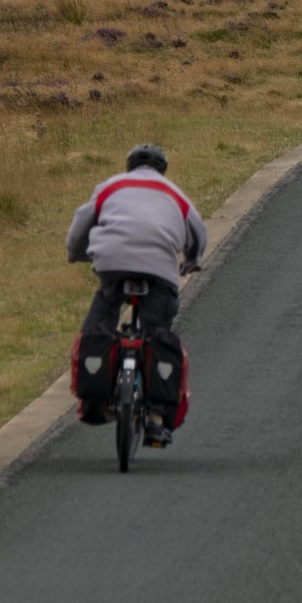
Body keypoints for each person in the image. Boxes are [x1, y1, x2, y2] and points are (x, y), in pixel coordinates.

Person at [65, 142, 205, 445]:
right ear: (162, 169)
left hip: (112, 265)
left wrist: (76, 254)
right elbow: (198, 233)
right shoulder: (175, 194)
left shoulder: (110, 186)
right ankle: (155, 418)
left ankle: (93, 397)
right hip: (159, 270)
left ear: (129, 166)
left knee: (102, 315)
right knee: (157, 333)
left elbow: (80, 226)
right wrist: (191, 262)